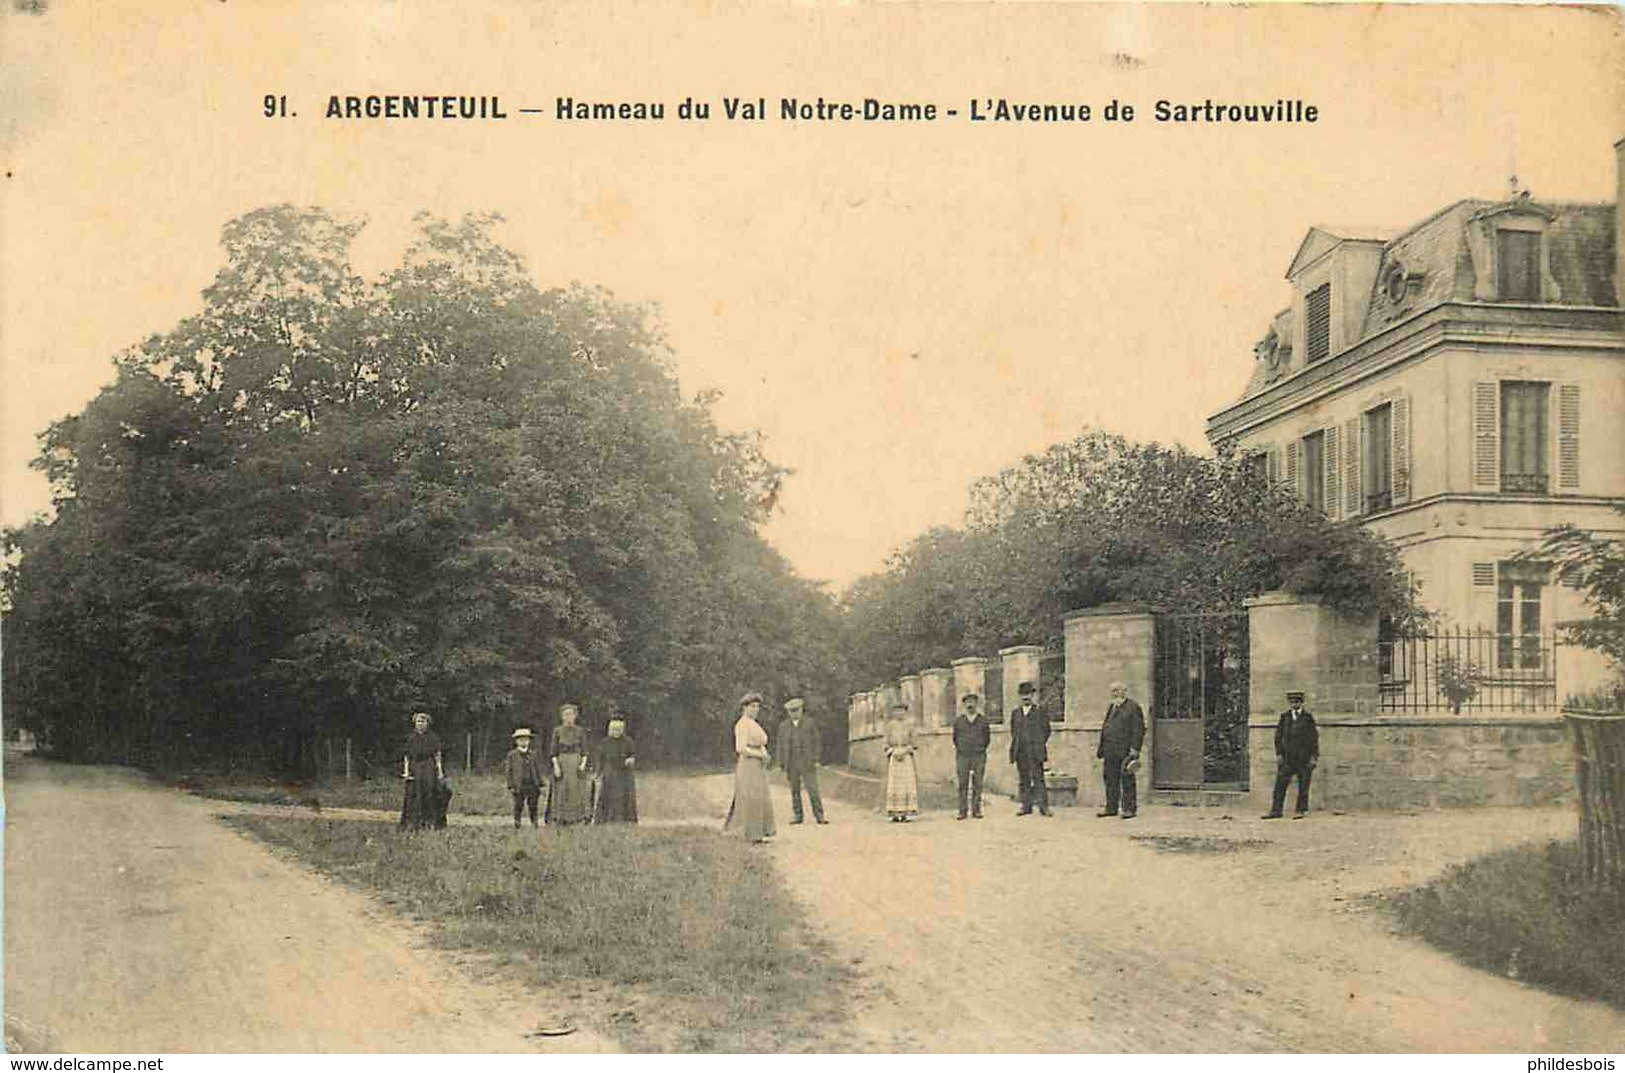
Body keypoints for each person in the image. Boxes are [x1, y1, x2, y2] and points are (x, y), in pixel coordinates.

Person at [725, 692, 777, 843]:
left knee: (760, 798)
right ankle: (749, 834)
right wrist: (759, 755)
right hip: (748, 764)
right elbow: (740, 748)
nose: (755, 710)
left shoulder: (754, 724)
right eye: (752, 706)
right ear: (744, 708)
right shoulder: (742, 724)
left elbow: (761, 744)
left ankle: (760, 833)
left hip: (758, 766)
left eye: (757, 707)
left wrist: (765, 755)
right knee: (750, 798)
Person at [1264, 690, 1319, 819]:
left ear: (1301, 703)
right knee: (1280, 784)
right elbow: (1278, 737)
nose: (1294, 704)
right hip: (1288, 758)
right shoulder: (1285, 717)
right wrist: (1279, 754)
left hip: (1303, 758)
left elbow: (1314, 739)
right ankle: (1276, 810)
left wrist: (1314, 757)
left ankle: (1301, 810)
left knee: (1304, 785)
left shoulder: (1307, 718)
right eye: (1292, 702)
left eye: (1297, 702)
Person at [1096, 682, 1146, 819]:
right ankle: (1111, 807)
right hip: (1110, 750)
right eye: (1112, 691)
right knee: (1110, 779)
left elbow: (1139, 729)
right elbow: (1106, 727)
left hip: (1125, 750)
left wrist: (1135, 748)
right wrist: (1101, 748)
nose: (1114, 693)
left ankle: (1129, 809)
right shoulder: (1112, 706)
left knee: (1127, 779)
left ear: (1124, 691)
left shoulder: (1133, 707)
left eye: (1117, 690)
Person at [775, 696, 827, 825]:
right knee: (795, 790)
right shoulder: (784, 726)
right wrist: (780, 763)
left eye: (796, 710)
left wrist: (816, 759)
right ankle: (798, 815)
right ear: (788, 712)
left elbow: (817, 742)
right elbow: (780, 745)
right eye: (791, 711)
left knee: (813, 789)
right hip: (791, 762)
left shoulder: (809, 723)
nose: (794, 713)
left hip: (807, 761)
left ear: (801, 710)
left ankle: (819, 815)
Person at [1008, 681, 1051, 816]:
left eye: (1028, 694)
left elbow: (1046, 730)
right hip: (1020, 751)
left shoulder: (1040, 711)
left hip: (1035, 751)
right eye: (1023, 694)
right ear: (1019, 696)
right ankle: (1026, 806)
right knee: (1023, 779)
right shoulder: (1015, 713)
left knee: (1038, 778)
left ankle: (1044, 807)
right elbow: (1014, 731)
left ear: (1033, 695)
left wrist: (1038, 743)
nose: (1026, 697)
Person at [545, 704, 592, 826]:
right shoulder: (557, 731)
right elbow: (553, 751)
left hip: (576, 761)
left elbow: (585, 750)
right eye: (566, 714)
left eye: (571, 714)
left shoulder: (580, 731)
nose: (569, 717)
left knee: (576, 789)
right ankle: (560, 816)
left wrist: (582, 765)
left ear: (575, 716)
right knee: (561, 789)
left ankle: (577, 817)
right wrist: (556, 766)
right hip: (562, 761)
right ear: (562, 717)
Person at [399, 711, 445, 832]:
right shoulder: (411, 738)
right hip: (415, 767)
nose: (421, 724)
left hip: (429, 767)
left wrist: (440, 771)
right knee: (414, 794)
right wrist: (406, 771)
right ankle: (414, 822)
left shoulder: (433, 737)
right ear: (415, 723)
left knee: (429, 792)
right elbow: (407, 756)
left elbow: (437, 755)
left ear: (427, 723)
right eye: (419, 721)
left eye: (423, 721)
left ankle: (430, 821)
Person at [951, 691, 991, 820]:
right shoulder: (959, 721)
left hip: (979, 755)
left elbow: (987, 738)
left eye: (972, 702)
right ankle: (962, 811)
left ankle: (976, 810)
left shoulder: (983, 721)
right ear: (964, 704)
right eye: (967, 702)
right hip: (963, 755)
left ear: (976, 704)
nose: (970, 705)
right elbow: (955, 738)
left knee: (978, 783)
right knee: (963, 783)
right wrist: (962, 749)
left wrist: (980, 748)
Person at [593, 714, 638, 823]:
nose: (616, 731)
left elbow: (633, 755)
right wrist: (598, 773)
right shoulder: (605, 742)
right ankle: (605, 819)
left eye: (618, 729)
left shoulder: (628, 741)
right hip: (610, 772)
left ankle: (625, 819)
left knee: (623, 796)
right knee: (607, 795)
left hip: (624, 773)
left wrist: (631, 760)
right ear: (610, 729)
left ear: (622, 730)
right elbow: (600, 759)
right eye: (614, 729)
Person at [883, 701, 920, 822]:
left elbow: (914, 742)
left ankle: (905, 813)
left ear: (905, 712)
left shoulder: (910, 725)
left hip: (906, 757)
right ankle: (894, 813)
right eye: (897, 710)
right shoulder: (889, 726)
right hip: (894, 756)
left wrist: (906, 750)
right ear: (893, 712)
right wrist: (892, 751)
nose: (899, 713)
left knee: (906, 783)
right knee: (895, 784)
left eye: (902, 710)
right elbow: (885, 742)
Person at [503, 727, 546, 829]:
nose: (523, 741)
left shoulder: (533, 754)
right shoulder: (512, 755)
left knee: (533, 805)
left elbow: (537, 769)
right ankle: (517, 824)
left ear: (529, 741)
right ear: (516, 741)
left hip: (532, 783)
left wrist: (541, 783)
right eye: (521, 739)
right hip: (519, 784)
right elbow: (508, 771)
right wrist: (510, 784)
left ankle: (534, 823)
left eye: (526, 739)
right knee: (518, 805)